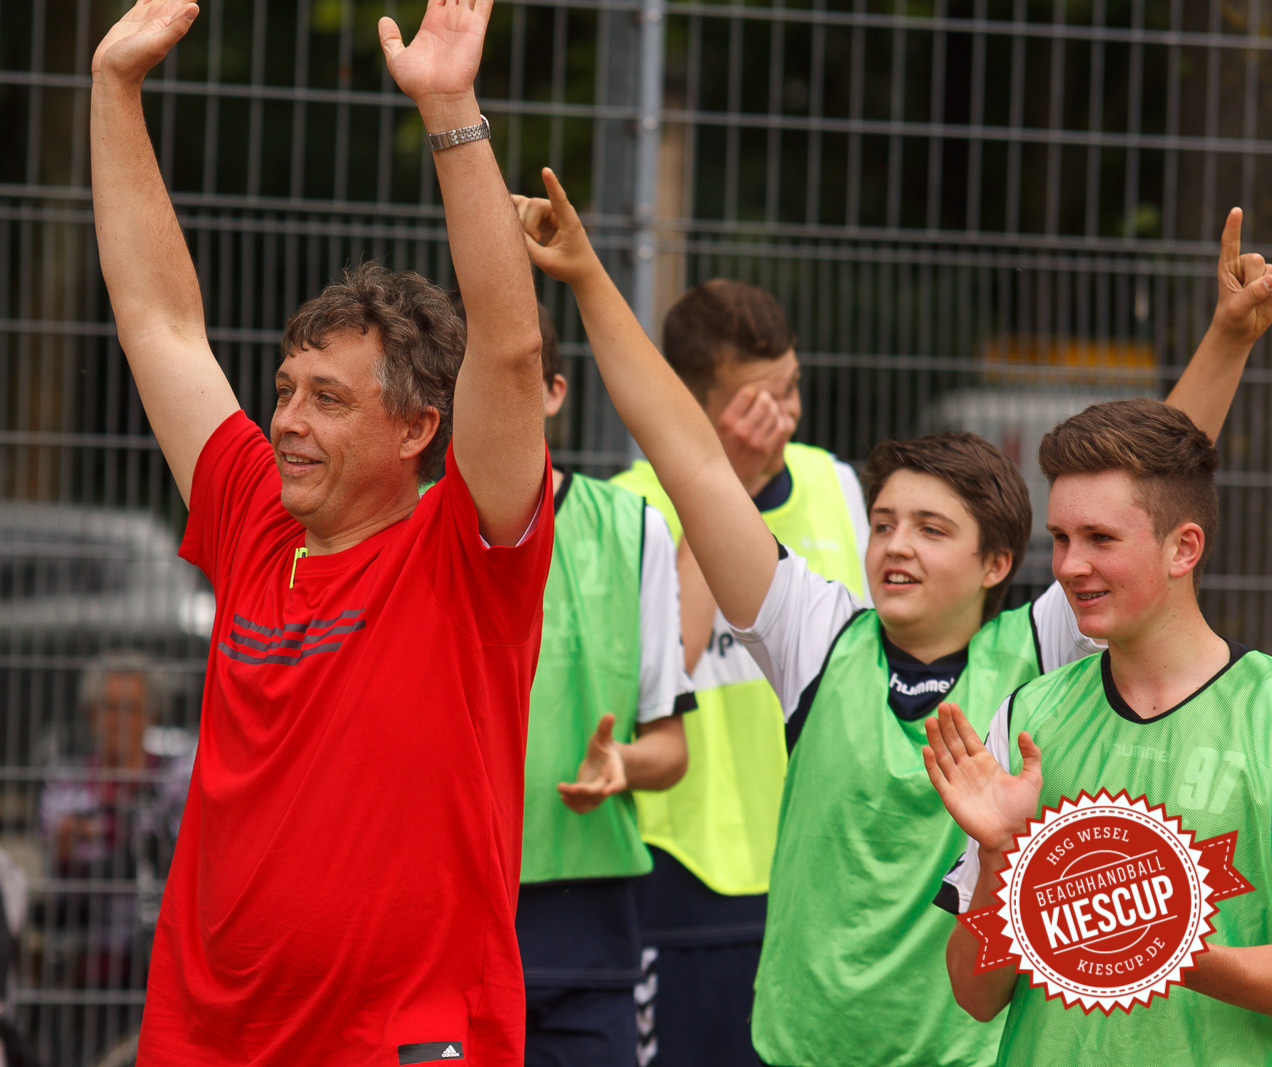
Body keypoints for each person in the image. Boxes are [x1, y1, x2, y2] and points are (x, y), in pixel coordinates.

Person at [512, 169, 1267, 1067]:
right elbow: (696, 466)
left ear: (995, 565)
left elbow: (1141, 499)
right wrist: (590, 278)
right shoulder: (819, 639)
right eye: (882, 523)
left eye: (931, 528)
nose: (895, 546)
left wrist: (1227, 337)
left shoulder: (1036, 656)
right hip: (802, 1049)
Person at [90, 0, 552, 1061]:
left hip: (399, 1039)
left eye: (329, 400)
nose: (287, 420)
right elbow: (157, 316)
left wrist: (448, 106)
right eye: (286, 389)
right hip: (206, 1034)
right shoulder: (254, 511)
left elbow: (511, 350)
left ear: (416, 427)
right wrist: (114, 89)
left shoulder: (466, 550)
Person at [927, 410, 1272, 1058]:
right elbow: (975, 994)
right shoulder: (1029, 715)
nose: (1068, 565)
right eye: (1060, 537)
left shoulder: (1265, 713)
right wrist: (1001, 855)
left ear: (1184, 548)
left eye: (1100, 538)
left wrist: (1149, 938)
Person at [611, 280, 867, 1067]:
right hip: (685, 882)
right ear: (692, 401)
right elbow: (657, 676)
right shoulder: (631, 510)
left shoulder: (839, 485)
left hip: (820, 877)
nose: (783, 418)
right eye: (758, 401)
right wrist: (730, 484)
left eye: (791, 389)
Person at [475, 302, 693, 1065]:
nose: (496, 399)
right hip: (449, 910)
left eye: (518, 378)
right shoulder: (411, 528)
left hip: (589, 919)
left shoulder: (634, 528)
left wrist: (623, 765)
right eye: (479, 380)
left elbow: (670, 746)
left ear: (555, 393)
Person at [39, 651, 190, 992]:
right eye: (108, 708)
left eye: (132, 709)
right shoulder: (67, 780)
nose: (119, 720)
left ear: (152, 715)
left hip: (162, 948)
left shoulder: (176, 778)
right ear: (91, 715)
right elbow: (57, 851)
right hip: (87, 946)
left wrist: (95, 835)